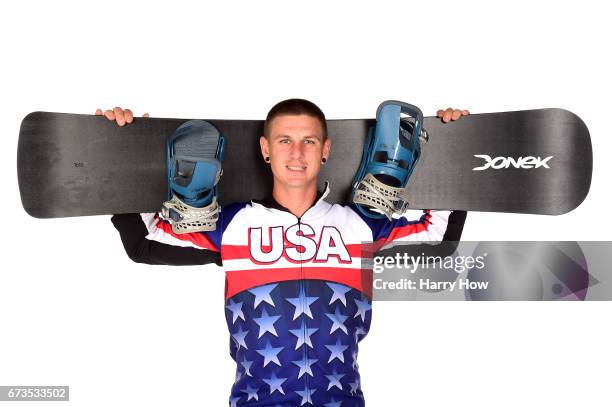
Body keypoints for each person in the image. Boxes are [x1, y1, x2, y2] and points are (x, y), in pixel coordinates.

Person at [102, 100, 468, 406]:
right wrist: (133, 147)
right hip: (255, 402)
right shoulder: (232, 225)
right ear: (265, 149)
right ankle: (192, 188)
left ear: (326, 150)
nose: (296, 153)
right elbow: (145, 240)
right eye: (284, 141)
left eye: (309, 141)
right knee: (189, 207)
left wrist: (454, 144)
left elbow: (439, 238)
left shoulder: (361, 225)